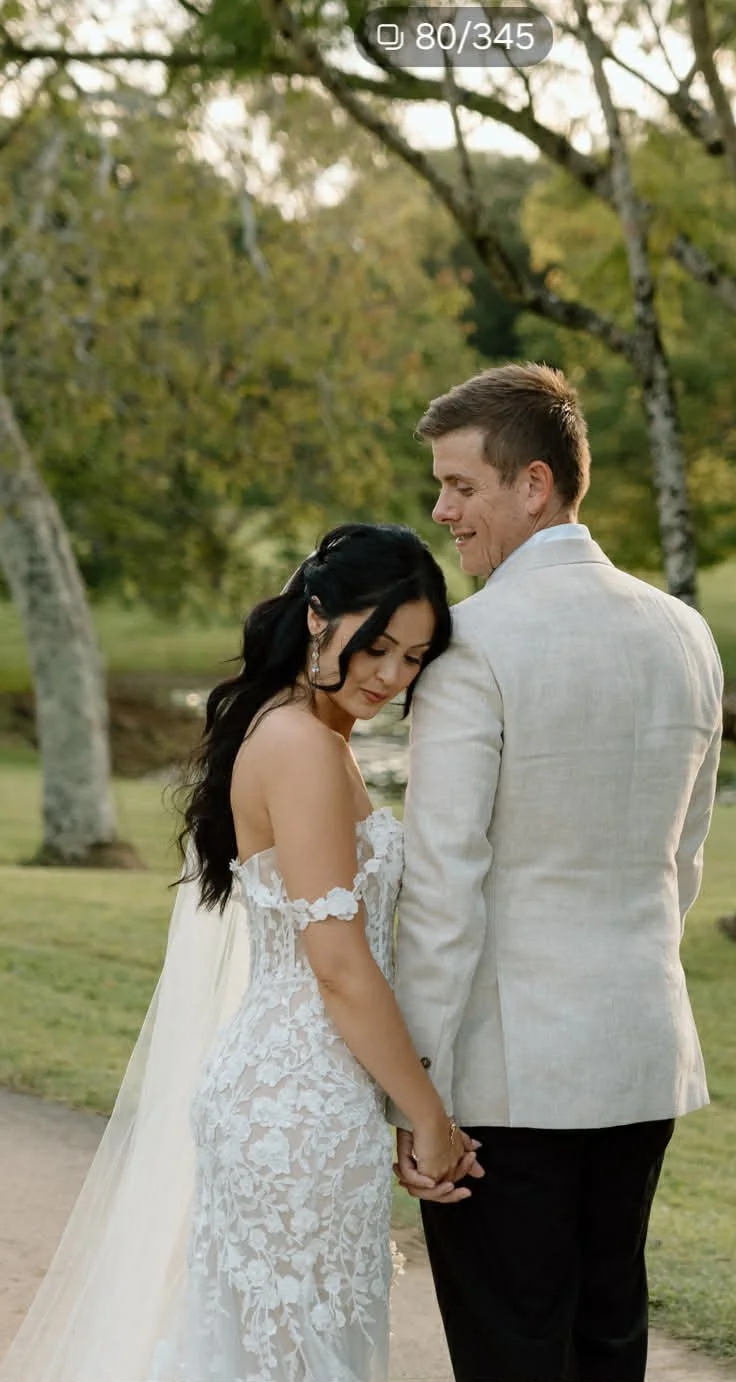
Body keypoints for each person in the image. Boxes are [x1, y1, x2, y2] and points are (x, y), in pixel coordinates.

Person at [0, 522, 478, 1382]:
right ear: (317, 616)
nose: (392, 675)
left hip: (305, 1095)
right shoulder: (299, 745)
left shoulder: (310, 733)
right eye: (376, 646)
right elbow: (337, 964)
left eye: (414, 657)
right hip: (299, 1109)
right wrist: (430, 1117)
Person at [391, 365, 724, 1382]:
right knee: (607, 1331)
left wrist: (419, 1093)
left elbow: (444, 888)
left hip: (507, 1074)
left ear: (534, 483)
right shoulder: (686, 632)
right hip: (641, 1048)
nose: (442, 512)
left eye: (460, 486)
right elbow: (686, 860)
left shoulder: (470, 647)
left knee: (514, 1348)